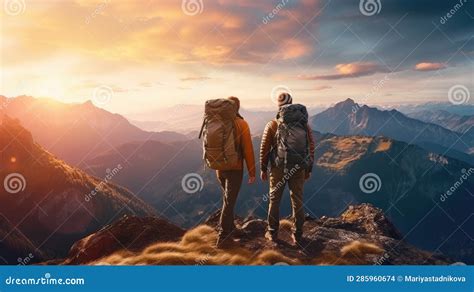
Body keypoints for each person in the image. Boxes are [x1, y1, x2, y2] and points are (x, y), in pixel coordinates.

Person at [259, 92, 315, 245]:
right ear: (292, 103)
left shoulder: (272, 124)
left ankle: (272, 233)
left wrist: (263, 168)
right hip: (299, 167)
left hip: (278, 167)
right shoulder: (303, 124)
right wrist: (308, 168)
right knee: (297, 200)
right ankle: (297, 235)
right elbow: (311, 146)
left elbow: (264, 147)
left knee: (274, 200)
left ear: (278, 105)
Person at [200, 96, 256, 247]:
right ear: (236, 108)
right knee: (229, 201)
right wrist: (252, 171)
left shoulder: (215, 121)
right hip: (235, 168)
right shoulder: (241, 124)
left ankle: (231, 228)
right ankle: (223, 237)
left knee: (227, 198)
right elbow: (248, 150)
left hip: (219, 167)